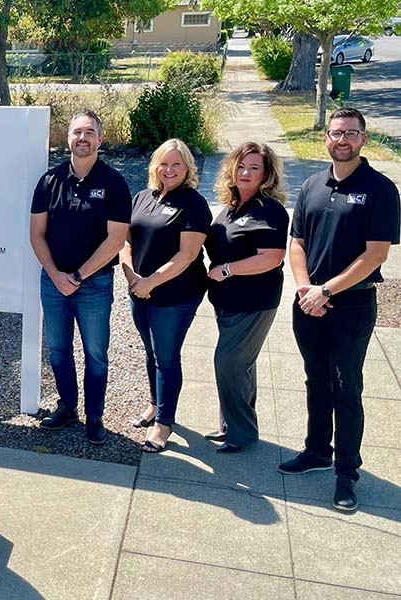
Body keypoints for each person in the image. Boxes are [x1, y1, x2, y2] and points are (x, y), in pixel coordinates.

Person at [279, 108, 400, 512]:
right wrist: (304, 289)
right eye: (336, 133)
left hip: (351, 305)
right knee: (316, 380)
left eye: (351, 133)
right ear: (326, 139)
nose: (342, 140)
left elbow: (375, 255)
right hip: (308, 302)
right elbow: (296, 242)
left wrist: (326, 290)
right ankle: (317, 451)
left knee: (347, 387)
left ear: (364, 139)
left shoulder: (381, 189)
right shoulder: (312, 184)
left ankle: (346, 473)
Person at [29, 109, 132, 444]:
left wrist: (77, 275)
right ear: (68, 138)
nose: (83, 138)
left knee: (95, 353)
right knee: (58, 350)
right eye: (77, 132)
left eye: (89, 132)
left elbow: (116, 239)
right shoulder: (49, 182)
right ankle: (67, 407)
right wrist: (56, 275)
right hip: (53, 282)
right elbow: (36, 235)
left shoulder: (114, 183)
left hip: (95, 285)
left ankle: (95, 415)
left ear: (100, 139)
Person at [120, 138, 211, 453]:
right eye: (164, 163)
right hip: (139, 290)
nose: (169, 170)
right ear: (154, 166)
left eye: (177, 164)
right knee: (151, 353)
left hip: (175, 294)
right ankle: (154, 404)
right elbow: (126, 241)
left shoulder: (194, 204)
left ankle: (164, 424)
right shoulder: (142, 197)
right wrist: (132, 276)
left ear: (187, 168)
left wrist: (151, 282)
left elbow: (186, 255)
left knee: (166, 358)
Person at [205, 143, 289, 453]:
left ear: (266, 175)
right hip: (227, 301)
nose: (245, 172)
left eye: (254, 168)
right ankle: (233, 425)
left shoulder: (270, 210)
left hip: (255, 302)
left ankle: (241, 434)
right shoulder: (232, 206)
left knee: (228, 363)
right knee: (242, 366)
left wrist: (226, 270)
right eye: (241, 166)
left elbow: (271, 258)